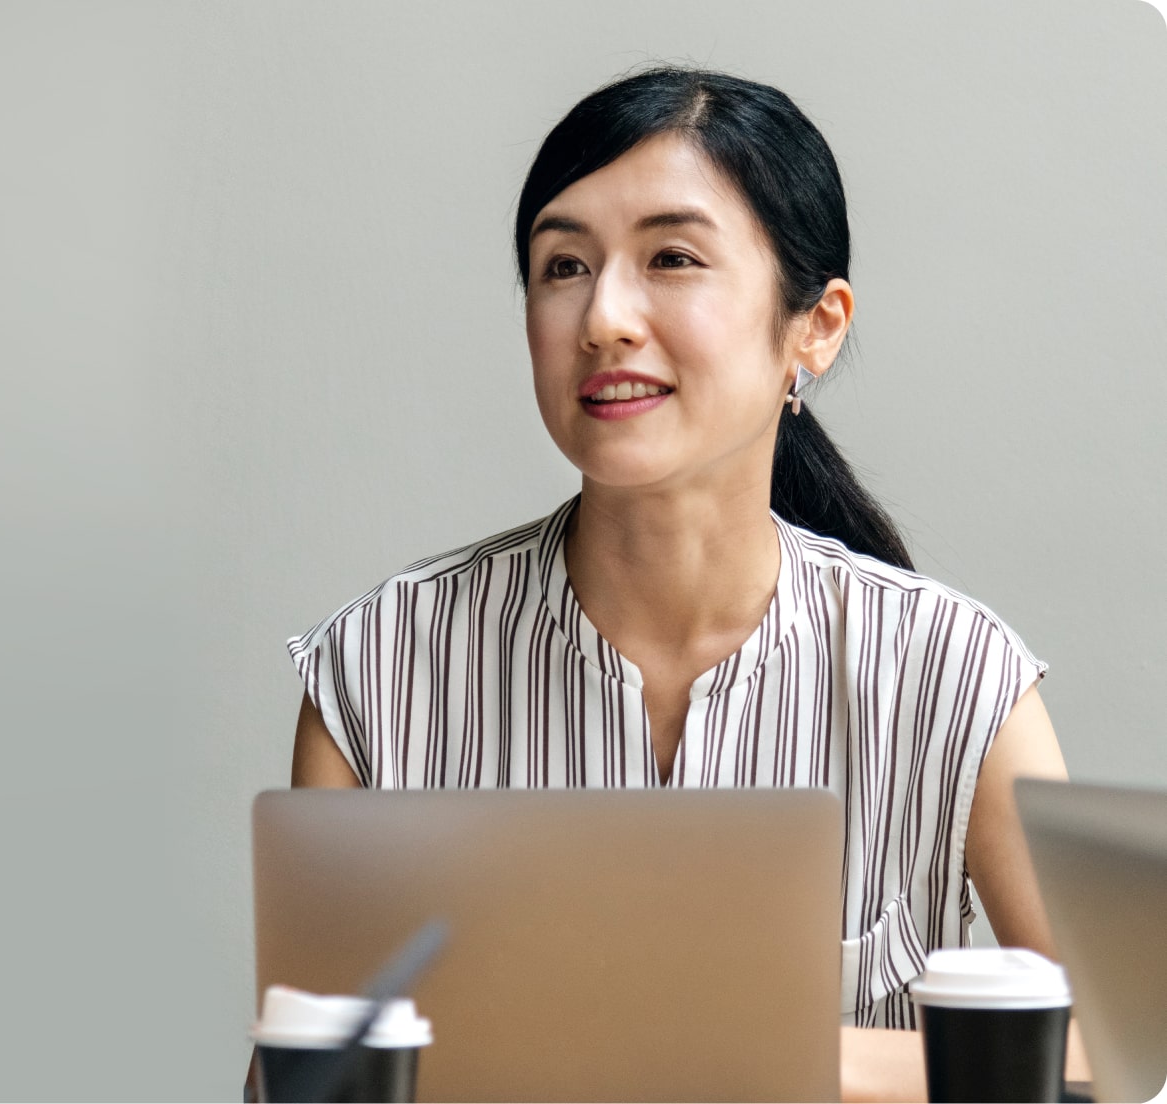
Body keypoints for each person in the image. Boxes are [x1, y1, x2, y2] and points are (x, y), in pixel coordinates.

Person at [285, 66, 1076, 1100]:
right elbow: (293, 1072)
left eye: (670, 257)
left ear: (816, 328)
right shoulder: (378, 669)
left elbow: (1121, 1032)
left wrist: (792, 1051)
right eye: (562, 265)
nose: (604, 316)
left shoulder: (953, 674)